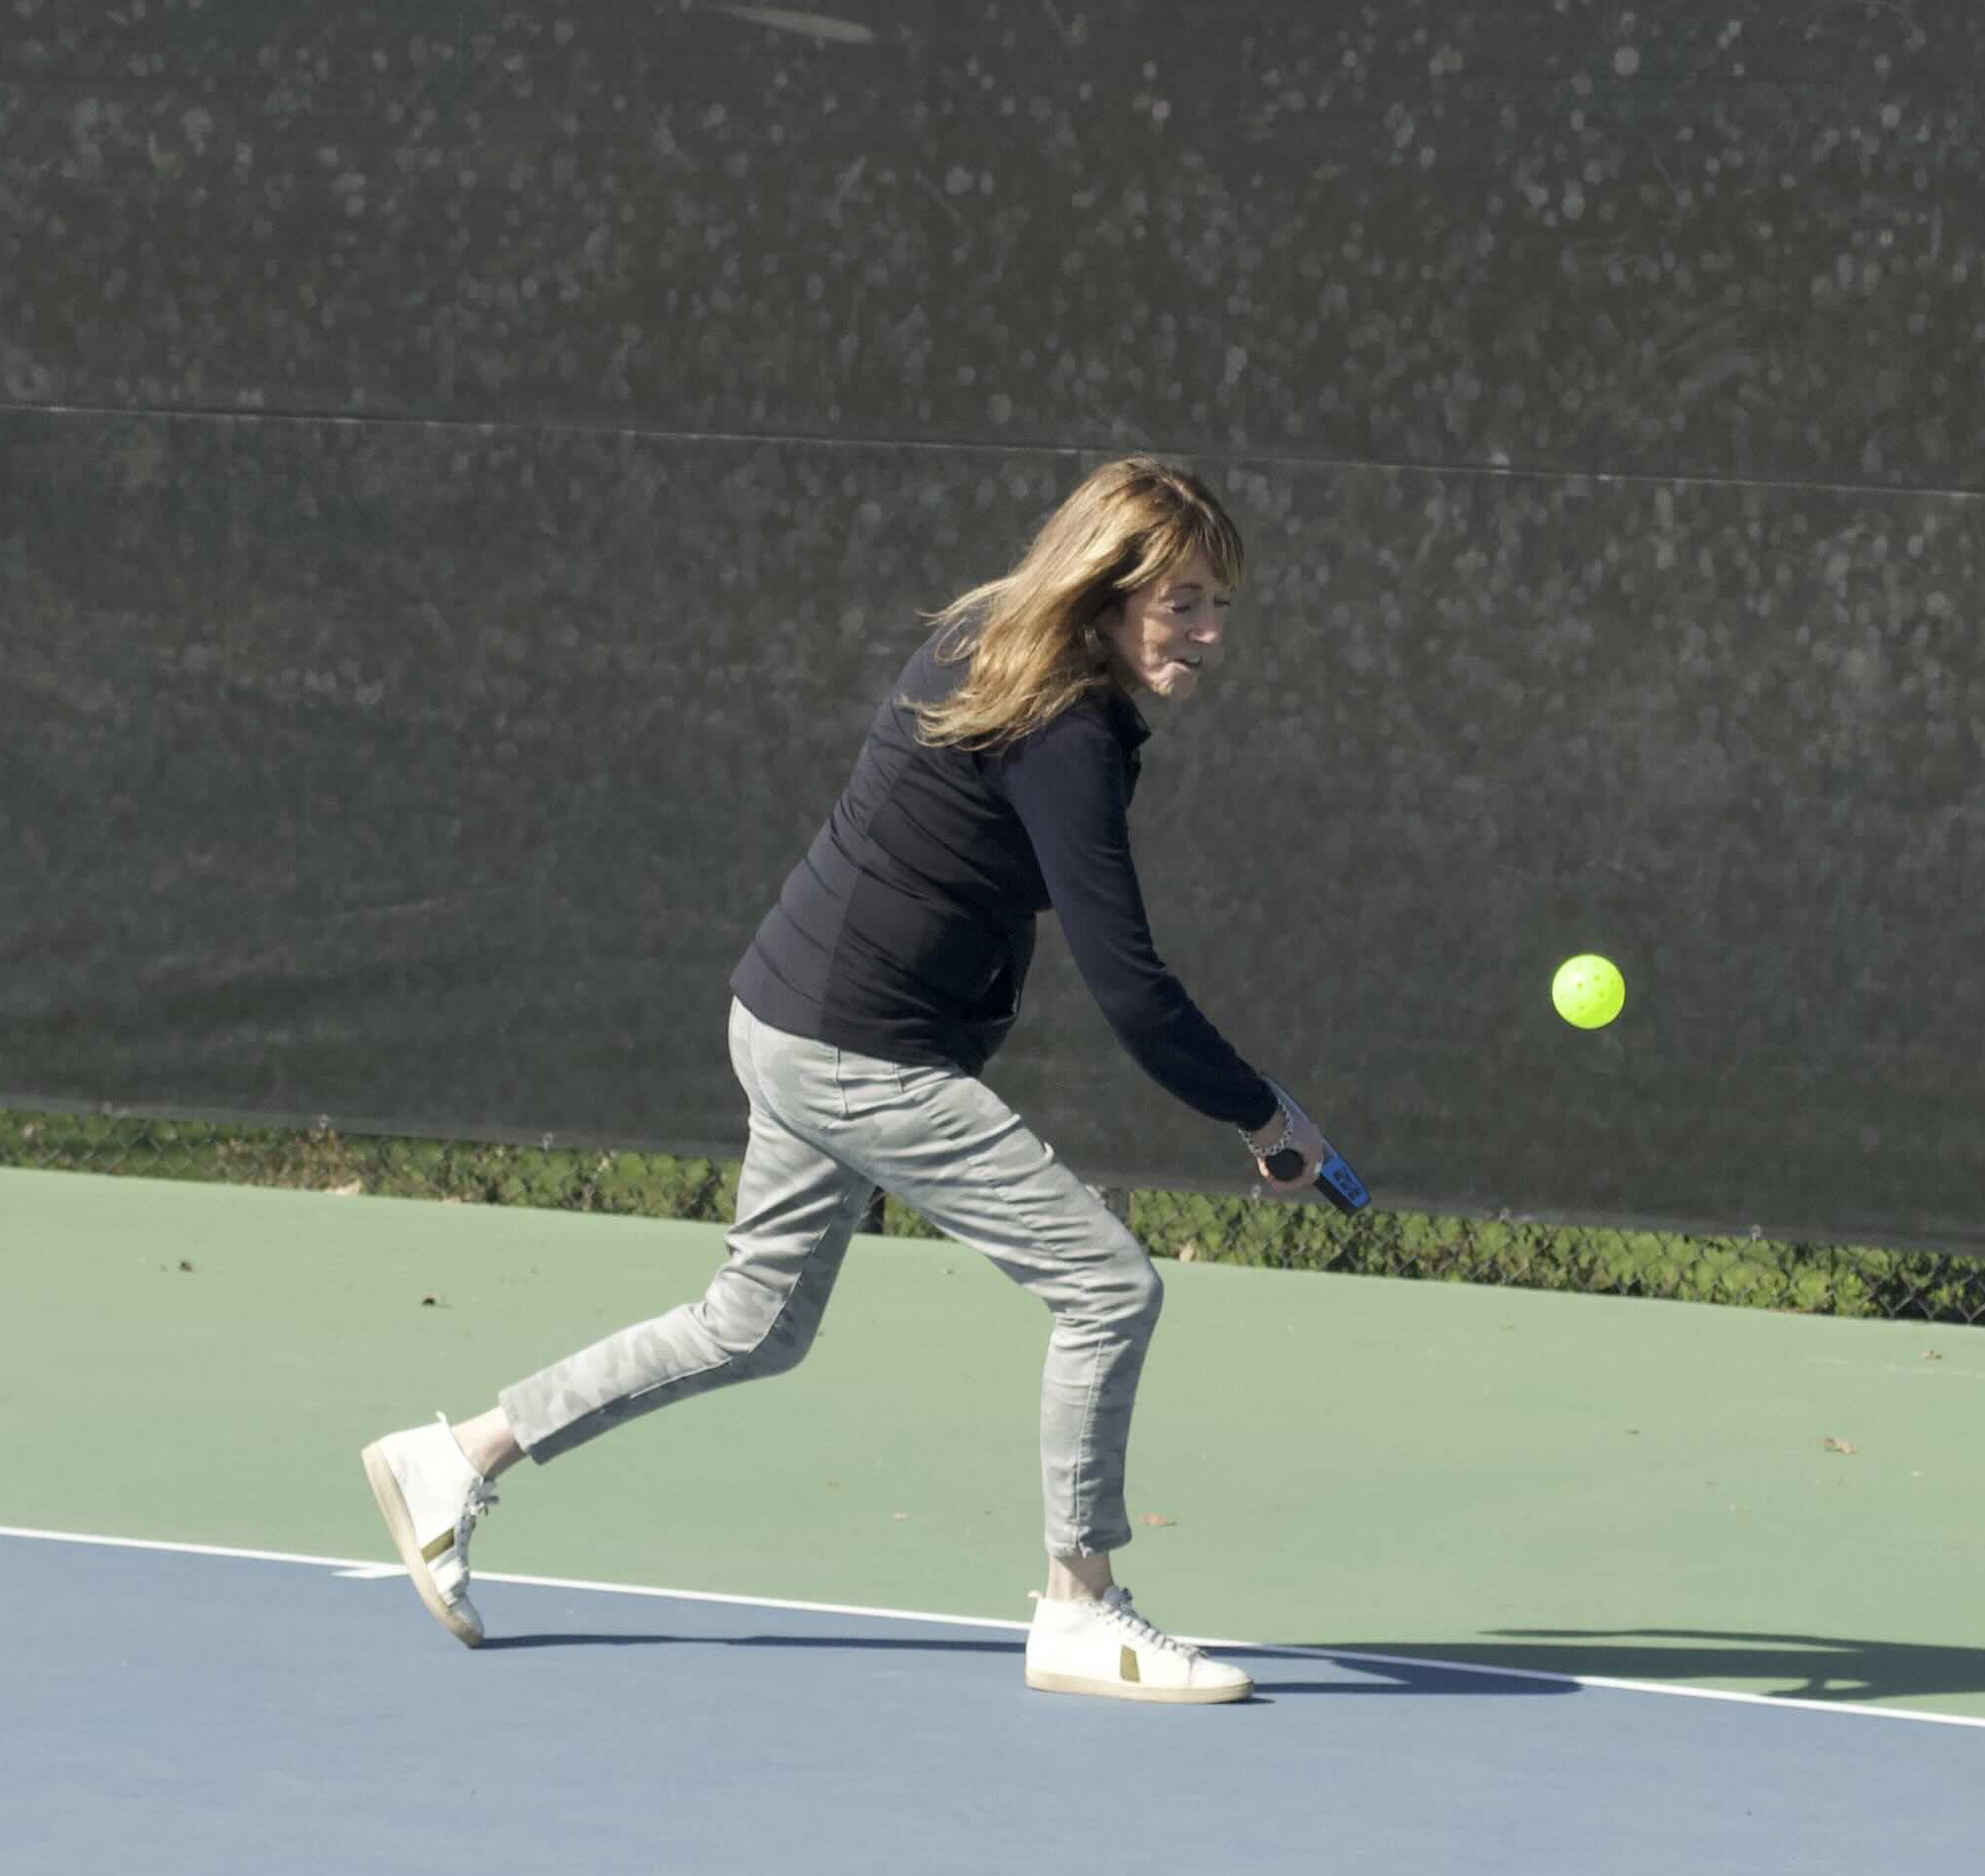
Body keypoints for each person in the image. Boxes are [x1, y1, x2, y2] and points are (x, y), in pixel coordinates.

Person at [355, 457, 1343, 1702]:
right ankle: (1080, 1607)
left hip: (785, 1007)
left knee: (752, 1322)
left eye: (1220, 607)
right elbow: (1130, 985)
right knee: (1106, 1287)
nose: (1206, 635)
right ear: (1105, 591)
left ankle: (456, 1457)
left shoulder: (988, 642)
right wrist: (1264, 1114)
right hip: (857, 1047)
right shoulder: (1066, 731)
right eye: (1182, 603)